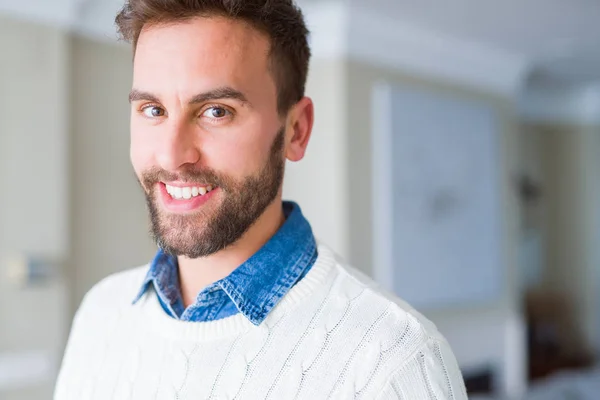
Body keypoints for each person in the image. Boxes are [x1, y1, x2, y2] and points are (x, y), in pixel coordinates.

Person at [55, 0, 467, 398]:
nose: (172, 155)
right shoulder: (99, 313)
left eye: (216, 111)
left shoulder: (394, 363)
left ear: (296, 130)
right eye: (152, 109)